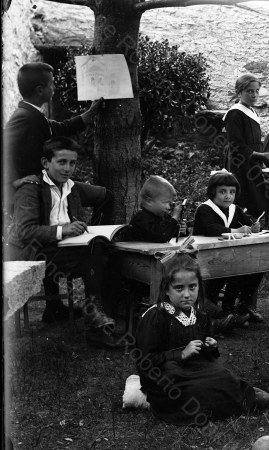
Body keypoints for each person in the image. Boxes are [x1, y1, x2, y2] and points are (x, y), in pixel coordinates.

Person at [5, 137, 119, 348]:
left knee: (102, 248)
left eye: (73, 163)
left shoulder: (71, 187)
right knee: (94, 255)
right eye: (62, 162)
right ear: (45, 163)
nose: (68, 168)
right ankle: (96, 325)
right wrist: (63, 230)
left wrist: (91, 227)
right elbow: (24, 232)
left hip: (59, 250)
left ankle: (69, 310)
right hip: (32, 255)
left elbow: (106, 196)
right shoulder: (30, 189)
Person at [134, 253, 269, 426]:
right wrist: (181, 355)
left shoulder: (199, 314)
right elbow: (146, 361)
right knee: (191, 390)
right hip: (165, 373)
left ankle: (244, 394)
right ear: (166, 290)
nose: (187, 294)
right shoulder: (157, 317)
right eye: (179, 288)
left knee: (223, 375)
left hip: (196, 368)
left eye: (192, 287)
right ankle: (239, 397)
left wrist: (210, 347)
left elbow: (204, 355)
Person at [3, 63, 103, 209]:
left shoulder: (33, 114)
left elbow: (63, 128)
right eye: (52, 84)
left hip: (48, 185)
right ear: (40, 90)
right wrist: (14, 183)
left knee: (101, 196)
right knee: (104, 196)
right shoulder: (25, 117)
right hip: (39, 192)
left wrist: (92, 111)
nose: (54, 88)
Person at [193, 170, 266, 326]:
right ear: (212, 192)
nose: (228, 196)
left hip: (230, 259)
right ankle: (221, 314)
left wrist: (253, 227)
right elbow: (210, 228)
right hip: (206, 260)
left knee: (257, 267)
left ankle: (237, 306)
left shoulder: (235, 209)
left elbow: (246, 222)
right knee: (228, 274)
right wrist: (235, 231)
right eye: (222, 192)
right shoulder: (205, 209)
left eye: (232, 192)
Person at [223, 74, 269, 219]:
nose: (254, 95)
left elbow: (255, 142)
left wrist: (262, 159)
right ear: (239, 92)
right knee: (243, 202)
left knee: (257, 202)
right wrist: (260, 156)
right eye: (249, 91)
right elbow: (236, 145)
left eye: (257, 91)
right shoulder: (235, 114)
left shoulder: (252, 112)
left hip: (253, 162)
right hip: (240, 164)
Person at [125, 176, 186, 243]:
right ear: (149, 201)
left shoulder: (165, 217)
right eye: (166, 202)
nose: (169, 207)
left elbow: (170, 234)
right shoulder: (140, 220)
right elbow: (161, 236)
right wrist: (174, 219)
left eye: (170, 203)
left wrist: (181, 231)